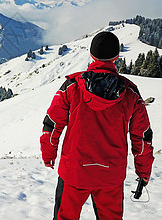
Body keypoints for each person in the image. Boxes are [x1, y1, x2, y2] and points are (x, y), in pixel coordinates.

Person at [40, 31, 154, 220]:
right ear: (117, 57)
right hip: (111, 174)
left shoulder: (72, 87)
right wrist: (143, 171)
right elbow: (142, 137)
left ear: (92, 55)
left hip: (74, 171)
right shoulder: (130, 93)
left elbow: (52, 124)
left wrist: (49, 155)